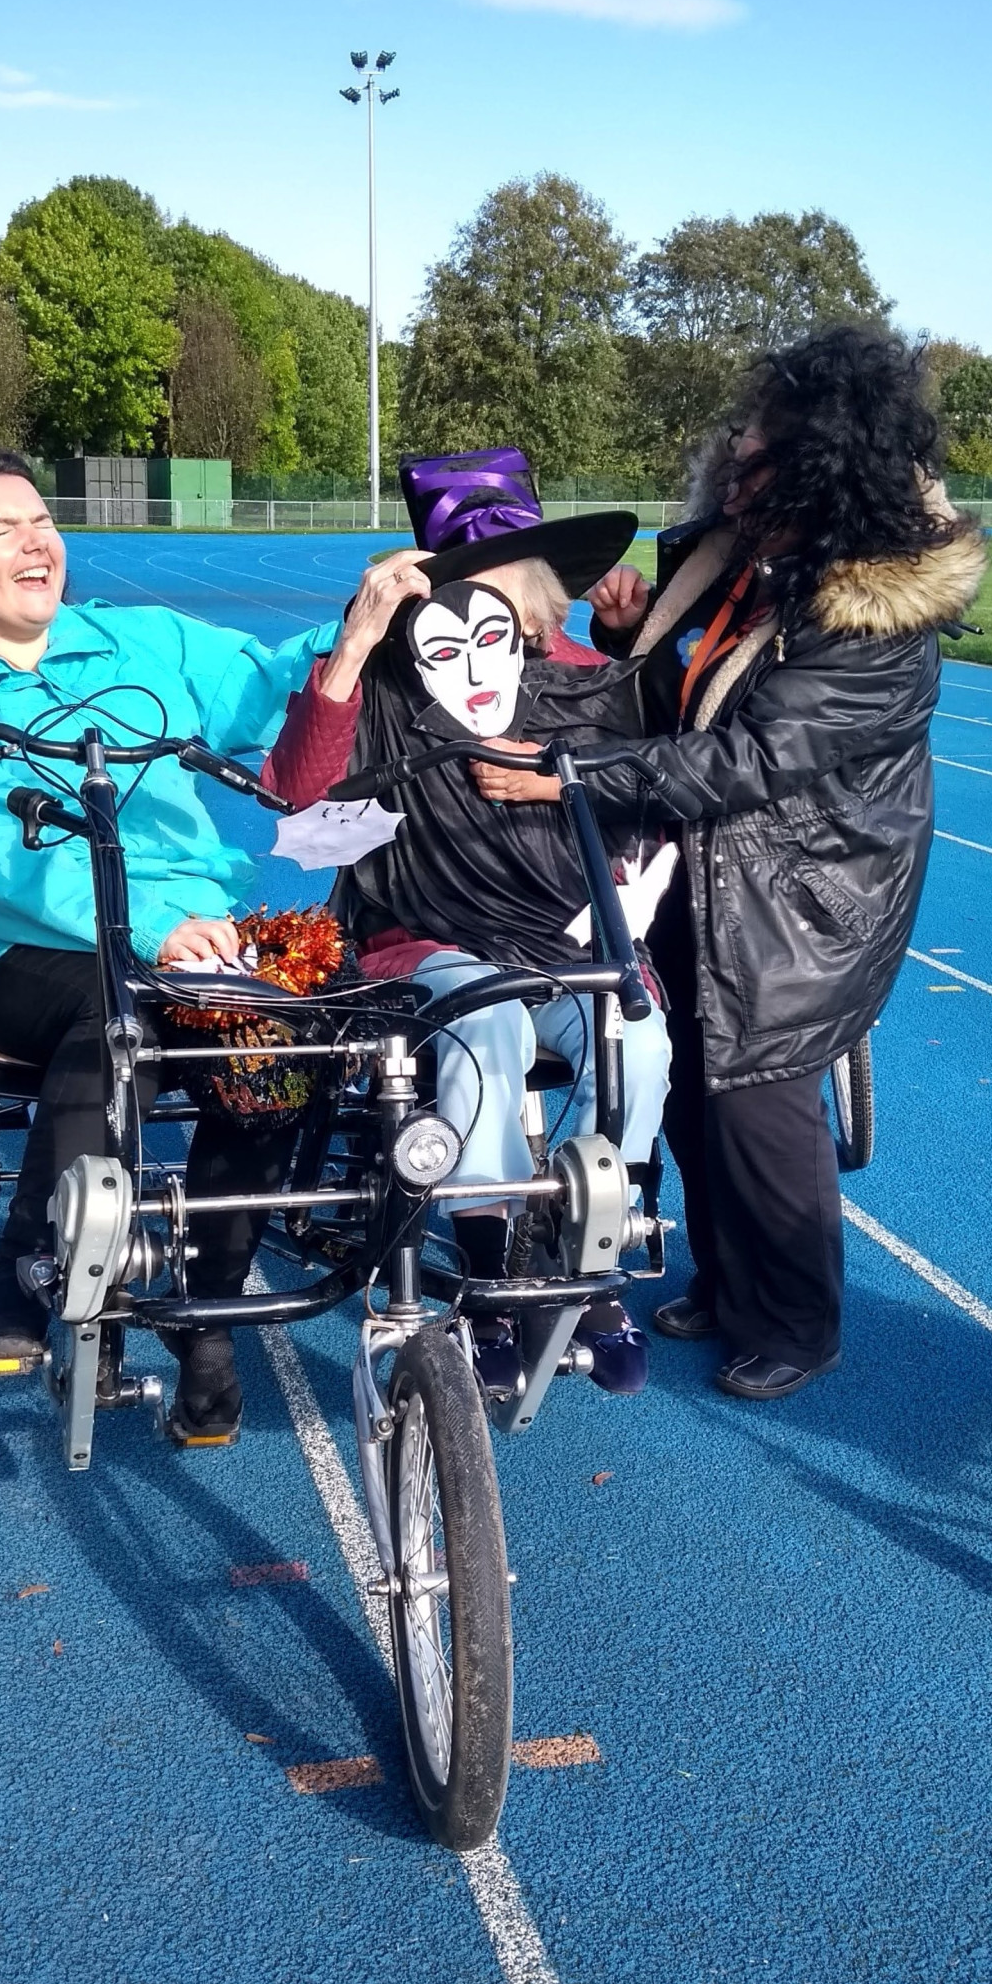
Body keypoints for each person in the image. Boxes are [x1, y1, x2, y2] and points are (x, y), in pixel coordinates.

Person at [0, 449, 428, 1442]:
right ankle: (27, 1266)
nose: (39, 540)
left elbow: (259, 686)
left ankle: (208, 1311)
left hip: (194, 931)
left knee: (299, 1026)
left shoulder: (140, 641)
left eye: (43, 522)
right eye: (3, 529)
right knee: (112, 1002)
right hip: (22, 950)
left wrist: (363, 625)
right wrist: (147, 930)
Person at [476, 328, 988, 1400]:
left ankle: (799, 1324)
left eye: (761, 438)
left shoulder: (871, 616)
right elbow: (691, 707)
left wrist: (571, 774)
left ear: (818, 463)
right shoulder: (760, 567)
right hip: (715, 872)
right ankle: (728, 1284)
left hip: (806, 894)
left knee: (759, 1102)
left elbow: (752, 758)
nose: (738, 445)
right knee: (699, 1093)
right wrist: (632, 646)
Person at [262, 447, 673, 1395]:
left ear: (534, 597)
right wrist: (355, 646)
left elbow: (658, 768)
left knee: (638, 1039)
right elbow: (297, 795)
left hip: (562, 934)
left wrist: (630, 645)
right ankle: (487, 1271)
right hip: (426, 934)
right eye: (449, 596)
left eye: (496, 594)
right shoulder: (389, 680)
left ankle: (589, 1252)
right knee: (484, 1025)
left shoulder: (579, 671)